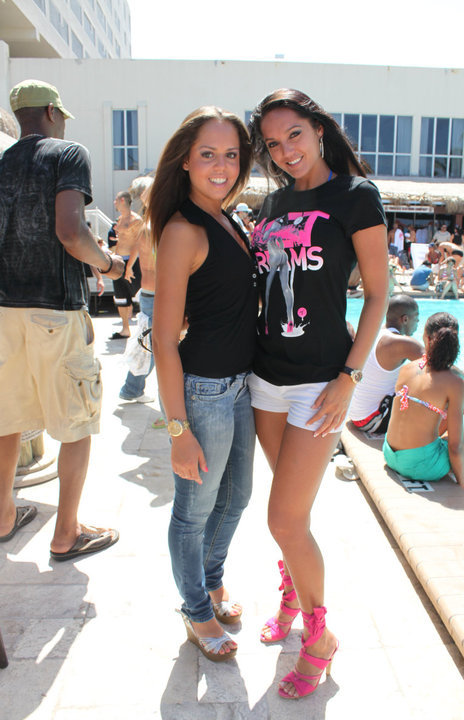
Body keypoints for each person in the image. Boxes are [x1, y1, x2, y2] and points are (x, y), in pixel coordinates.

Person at [248, 88, 389, 699]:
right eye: (273, 144)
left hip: (320, 383)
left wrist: (349, 377)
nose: (286, 151)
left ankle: (319, 636)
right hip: (265, 379)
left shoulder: (356, 196)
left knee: (283, 517)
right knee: (292, 517)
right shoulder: (272, 203)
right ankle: (290, 593)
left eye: (295, 136)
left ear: (319, 130)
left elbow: (378, 295)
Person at [148, 107, 257, 662]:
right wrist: (177, 430)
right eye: (208, 154)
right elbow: (163, 339)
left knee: (237, 497)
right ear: (186, 161)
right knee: (193, 512)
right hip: (204, 392)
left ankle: (211, 582)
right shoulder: (182, 230)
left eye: (231, 154)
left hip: (239, 387)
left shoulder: (229, 219)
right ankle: (196, 611)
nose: (221, 165)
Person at [0, 79, 124, 558]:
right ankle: (66, 532)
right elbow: (71, 232)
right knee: (77, 423)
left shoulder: (3, 160)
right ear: (52, 112)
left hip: (4, 310)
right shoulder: (68, 153)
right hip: (55, 308)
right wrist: (109, 265)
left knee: (6, 419)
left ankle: (4, 515)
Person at [384, 312, 464, 496]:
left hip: (391, 454)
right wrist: (460, 486)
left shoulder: (407, 367)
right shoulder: (454, 383)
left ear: (426, 338)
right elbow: (455, 447)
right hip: (422, 466)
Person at [349, 296, 423, 434]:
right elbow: (438, 367)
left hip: (356, 415)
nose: (418, 321)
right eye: (417, 317)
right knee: (429, 387)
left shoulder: (374, 332)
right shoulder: (403, 343)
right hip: (373, 421)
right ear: (405, 319)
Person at [118, 220, 156, 403]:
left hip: (149, 291)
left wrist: (129, 267)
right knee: (152, 346)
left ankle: (131, 388)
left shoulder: (145, 228)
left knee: (148, 344)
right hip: (158, 293)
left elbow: (136, 249)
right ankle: (131, 388)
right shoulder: (158, 228)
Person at [110, 191, 143, 339]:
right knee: (120, 297)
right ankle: (125, 329)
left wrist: (129, 266)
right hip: (119, 260)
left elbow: (138, 244)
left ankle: (144, 330)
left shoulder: (136, 220)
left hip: (132, 262)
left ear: (122, 200)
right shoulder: (119, 219)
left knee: (139, 296)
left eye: (116, 200)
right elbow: (120, 241)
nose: (114, 202)